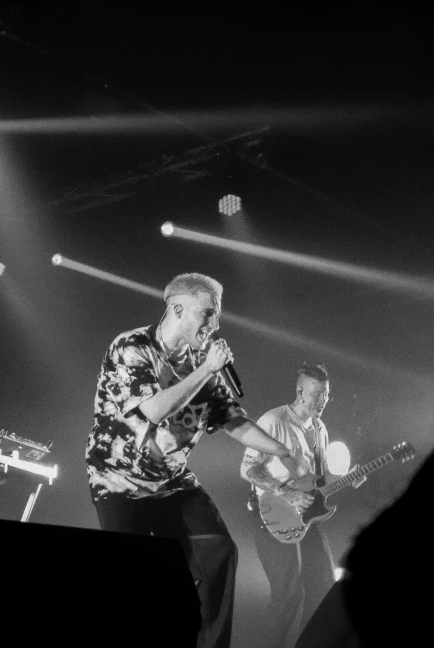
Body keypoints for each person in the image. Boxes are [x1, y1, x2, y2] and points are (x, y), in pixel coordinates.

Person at [86, 272, 294, 648]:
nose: (214, 325)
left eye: (217, 316)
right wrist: (206, 371)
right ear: (177, 309)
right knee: (133, 580)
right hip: (119, 481)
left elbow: (233, 421)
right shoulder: (132, 347)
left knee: (218, 548)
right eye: (207, 314)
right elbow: (151, 410)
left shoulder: (202, 363)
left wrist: (282, 450)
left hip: (172, 480)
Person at [241, 363, 364, 648]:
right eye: (318, 393)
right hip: (273, 516)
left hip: (308, 519)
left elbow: (318, 481)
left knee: (324, 590)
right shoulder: (273, 422)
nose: (323, 400)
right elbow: (250, 469)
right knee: (288, 596)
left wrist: (349, 479)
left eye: (327, 394)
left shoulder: (320, 428)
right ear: (300, 391)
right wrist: (285, 492)